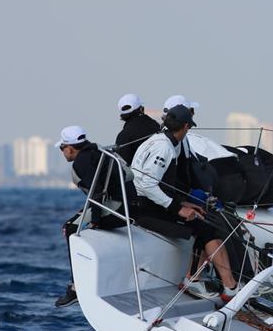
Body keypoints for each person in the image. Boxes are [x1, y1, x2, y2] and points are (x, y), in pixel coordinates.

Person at [130, 105, 238, 302]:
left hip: (150, 203)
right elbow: (147, 185)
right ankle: (221, 286)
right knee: (204, 227)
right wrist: (178, 209)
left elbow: (162, 183)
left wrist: (185, 201)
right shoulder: (164, 147)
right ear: (186, 126)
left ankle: (221, 284)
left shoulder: (160, 140)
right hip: (145, 208)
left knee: (204, 218)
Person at [54, 126, 135, 307]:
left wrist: (96, 221)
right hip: (130, 204)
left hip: (119, 209)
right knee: (80, 219)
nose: (62, 152)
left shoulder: (81, 162)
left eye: (62, 148)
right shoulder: (98, 150)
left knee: (70, 228)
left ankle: (75, 288)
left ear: (69, 147)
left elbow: (97, 192)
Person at [115, 93, 161, 164]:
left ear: (122, 116)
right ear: (141, 109)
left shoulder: (123, 136)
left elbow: (121, 166)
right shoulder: (156, 126)